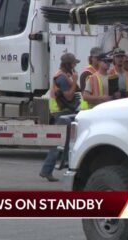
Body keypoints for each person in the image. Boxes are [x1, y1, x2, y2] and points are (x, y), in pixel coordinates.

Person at [39, 53, 81, 182]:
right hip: (61, 113)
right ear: (68, 64)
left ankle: (55, 169)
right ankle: (46, 170)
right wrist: (74, 81)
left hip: (65, 112)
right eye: (74, 63)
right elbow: (68, 96)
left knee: (65, 143)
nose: (75, 66)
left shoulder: (65, 76)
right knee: (58, 144)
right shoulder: (61, 78)